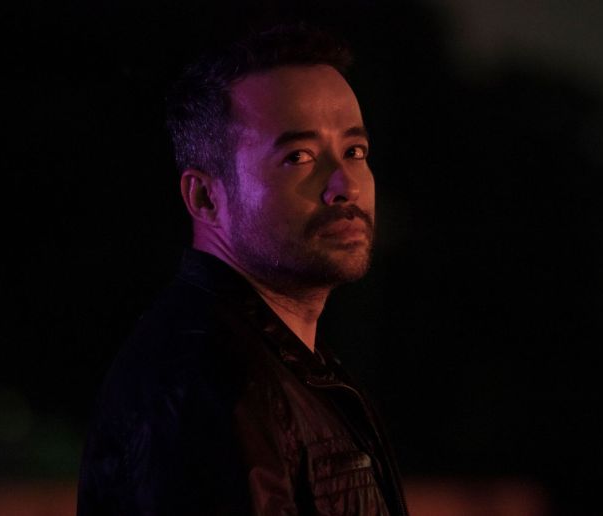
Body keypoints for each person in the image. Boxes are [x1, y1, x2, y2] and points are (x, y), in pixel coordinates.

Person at [77, 24, 408, 516]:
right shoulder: (207, 382)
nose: (346, 185)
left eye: (354, 152)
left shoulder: (285, 367)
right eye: (299, 157)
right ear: (205, 197)